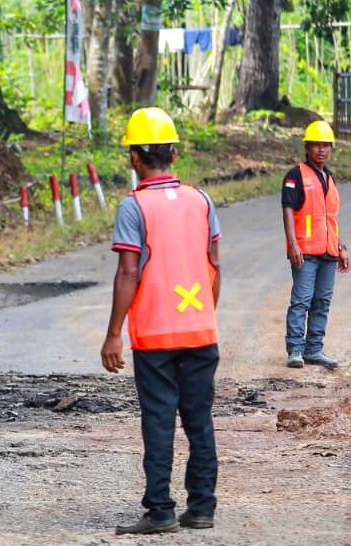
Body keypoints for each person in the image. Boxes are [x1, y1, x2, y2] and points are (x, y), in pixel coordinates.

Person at [101, 107, 222, 535]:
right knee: (199, 420)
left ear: (134, 158)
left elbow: (128, 272)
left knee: (158, 421)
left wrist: (115, 333)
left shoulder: (133, 207)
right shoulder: (201, 200)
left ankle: (160, 512)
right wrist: (205, 314)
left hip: (154, 337)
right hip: (200, 332)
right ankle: (202, 508)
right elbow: (213, 265)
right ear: (173, 152)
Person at [282, 120, 351, 368]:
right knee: (301, 300)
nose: (321, 150)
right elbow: (288, 210)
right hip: (305, 252)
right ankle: (295, 350)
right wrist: (293, 244)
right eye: (316, 145)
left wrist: (341, 247)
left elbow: (330, 218)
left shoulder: (328, 177)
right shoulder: (295, 175)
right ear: (307, 147)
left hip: (329, 252)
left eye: (325, 145)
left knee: (322, 301)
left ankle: (314, 349)